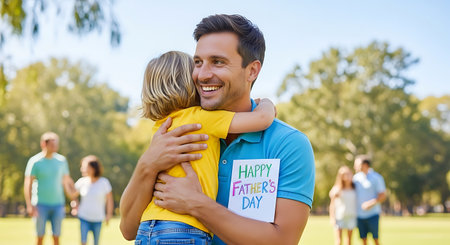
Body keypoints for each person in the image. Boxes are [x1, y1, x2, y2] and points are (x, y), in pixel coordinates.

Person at [120, 14, 315, 245]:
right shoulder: (175, 134)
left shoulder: (288, 144)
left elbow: (283, 240)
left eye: (218, 62)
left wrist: (197, 203)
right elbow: (129, 229)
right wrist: (147, 164)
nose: (202, 75)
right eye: (198, 62)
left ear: (252, 71)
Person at [135, 50, 276, 244]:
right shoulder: (201, 117)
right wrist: (267, 103)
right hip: (184, 228)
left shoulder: (160, 128)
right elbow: (262, 119)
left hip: (147, 227)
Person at [24, 132, 75, 245]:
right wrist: (29, 204)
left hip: (58, 204)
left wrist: (73, 199)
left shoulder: (62, 161)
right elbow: (28, 183)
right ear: (44, 144)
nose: (55, 147)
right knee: (40, 237)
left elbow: (67, 181)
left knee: (56, 237)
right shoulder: (35, 161)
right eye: (52, 145)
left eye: (56, 145)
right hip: (40, 204)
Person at [70, 155, 113, 245]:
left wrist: (109, 214)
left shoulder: (104, 182)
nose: (82, 169)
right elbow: (73, 195)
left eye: (84, 167)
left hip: (98, 219)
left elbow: (109, 200)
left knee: (96, 243)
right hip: (84, 217)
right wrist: (75, 205)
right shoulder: (82, 182)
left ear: (93, 168)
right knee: (83, 242)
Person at [353, 155, 386, 245]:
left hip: (373, 215)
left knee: (375, 239)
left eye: (357, 164)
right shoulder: (355, 178)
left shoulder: (377, 177)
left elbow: (383, 196)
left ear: (365, 165)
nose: (354, 166)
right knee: (363, 240)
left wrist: (370, 204)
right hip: (359, 215)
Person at [329, 166, 357, 245]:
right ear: (341, 176)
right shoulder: (337, 189)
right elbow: (332, 204)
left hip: (351, 216)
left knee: (349, 241)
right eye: (345, 175)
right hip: (340, 217)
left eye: (349, 174)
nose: (348, 176)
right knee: (338, 241)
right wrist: (332, 217)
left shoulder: (355, 188)